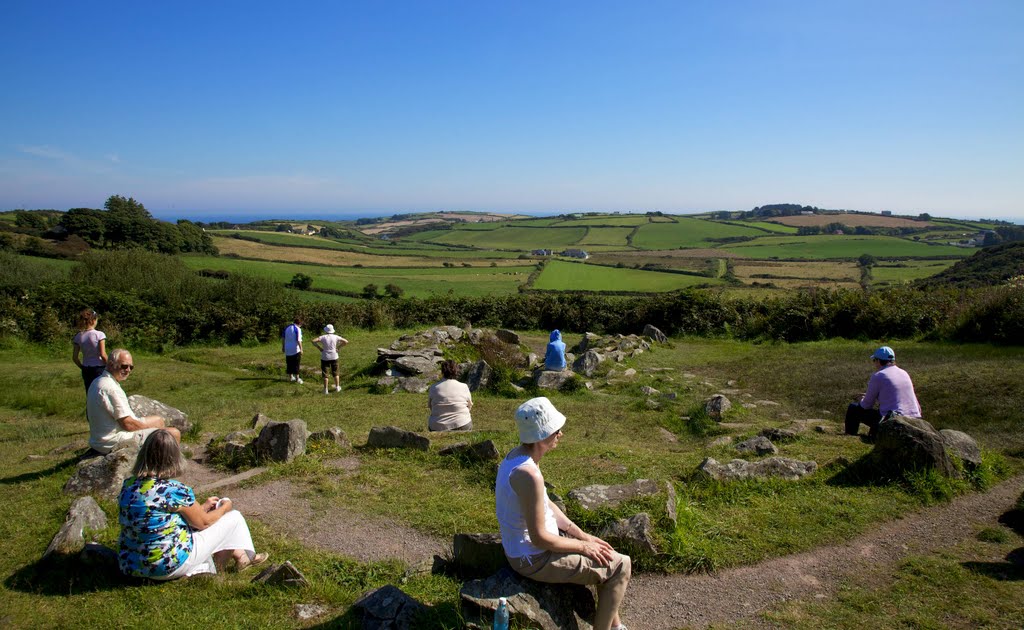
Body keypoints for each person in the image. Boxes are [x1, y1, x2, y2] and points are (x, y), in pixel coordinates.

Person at [496, 397, 631, 630]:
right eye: (556, 430)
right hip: (533, 557)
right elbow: (539, 538)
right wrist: (583, 547)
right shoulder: (530, 475)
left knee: (607, 554)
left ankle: (615, 625)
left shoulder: (516, 457)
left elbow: (547, 504)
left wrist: (581, 534)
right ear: (541, 436)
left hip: (528, 550)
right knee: (621, 566)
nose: (560, 434)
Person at [118, 429, 268, 579]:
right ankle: (218, 570)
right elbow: (204, 523)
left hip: (131, 564)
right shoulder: (174, 490)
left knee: (209, 519)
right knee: (234, 518)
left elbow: (159, 517)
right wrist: (225, 507)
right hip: (164, 565)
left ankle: (241, 556)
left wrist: (201, 508)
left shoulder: (128, 485)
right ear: (173, 457)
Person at [87, 349, 180, 454]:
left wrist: (155, 426)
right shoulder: (110, 388)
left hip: (102, 437)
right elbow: (128, 425)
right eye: (124, 366)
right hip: (113, 440)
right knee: (173, 433)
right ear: (111, 364)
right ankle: (164, 466)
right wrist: (152, 428)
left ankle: (156, 453)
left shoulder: (98, 381)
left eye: (131, 367)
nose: (128, 370)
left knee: (158, 420)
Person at [845, 345, 922, 438]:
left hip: (893, 420)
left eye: (874, 360)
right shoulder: (904, 373)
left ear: (878, 361)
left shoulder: (879, 376)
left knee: (853, 408)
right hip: (914, 418)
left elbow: (866, 405)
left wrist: (861, 399)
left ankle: (850, 434)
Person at [427, 359, 473, 431]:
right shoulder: (464, 386)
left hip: (437, 426)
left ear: (442, 371)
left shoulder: (433, 387)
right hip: (461, 423)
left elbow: (431, 407)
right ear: (456, 371)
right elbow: (469, 406)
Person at [72, 308, 107, 392]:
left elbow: (75, 357)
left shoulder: (78, 336)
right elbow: (103, 354)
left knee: (90, 392)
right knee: (101, 391)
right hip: (99, 367)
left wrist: (82, 367)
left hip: (86, 368)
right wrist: (110, 365)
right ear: (94, 320)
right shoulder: (99, 335)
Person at [312, 324, 348, 395]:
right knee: (335, 372)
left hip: (325, 356)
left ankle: (325, 390)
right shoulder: (336, 337)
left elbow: (313, 341)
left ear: (326, 330)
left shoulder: (323, 337)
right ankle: (337, 387)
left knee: (325, 374)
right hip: (334, 356)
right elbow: (346, 341)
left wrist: (319, 348)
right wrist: (339, 347)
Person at [281, 317, 304, 384]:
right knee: (296, 364)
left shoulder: (287, 328)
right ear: (299, 323)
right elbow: (299, 340)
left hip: (287, 348)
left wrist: (283, 347)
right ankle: (297, 378)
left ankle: (291, 377)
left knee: (289, 363)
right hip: (295, 349)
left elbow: (283, 338)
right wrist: (301, 349)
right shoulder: (298, 329)